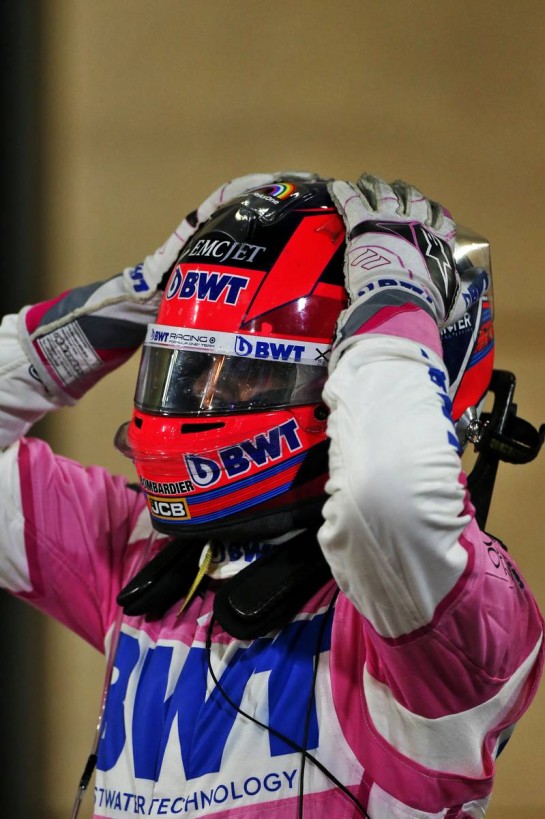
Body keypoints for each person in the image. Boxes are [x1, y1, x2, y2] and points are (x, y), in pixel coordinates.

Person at [0, 170, 543, 819]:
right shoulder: (147, 557)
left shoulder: (463, 620)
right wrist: (136, 295)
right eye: (194, 365)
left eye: (250, 373)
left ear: (348, 379)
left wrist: (393, 302)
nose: (205, 395)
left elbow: (388, 497)